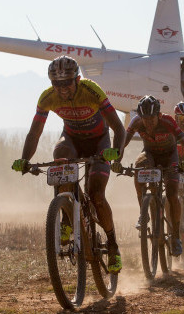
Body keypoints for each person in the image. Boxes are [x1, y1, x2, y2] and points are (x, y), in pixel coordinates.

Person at [12, 55, 126, 274]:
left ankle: (112, 245)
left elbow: (118, 128)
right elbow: (35, 133)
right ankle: (65, 216)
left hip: (99, 142)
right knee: (60, 159)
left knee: (97, 195)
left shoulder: (91, 90)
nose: (62, 89)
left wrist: (117, 153)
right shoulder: (47, 97)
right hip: (71, 140)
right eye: (57, 84)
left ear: (78, 79)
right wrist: (25, 159)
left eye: (67, 83)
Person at [112, 96, 184, 257]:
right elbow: (123, 142)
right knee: (138, 168)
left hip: (170, 157)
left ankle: (176, 236)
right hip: (149, 154)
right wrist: (117, 161)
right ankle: (143, 213)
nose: (148, 122)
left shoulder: (168, 121)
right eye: (145, 119)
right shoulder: (136, 122)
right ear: (140, 117)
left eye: (152, 119)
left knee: (172, 194)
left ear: (159, 115)